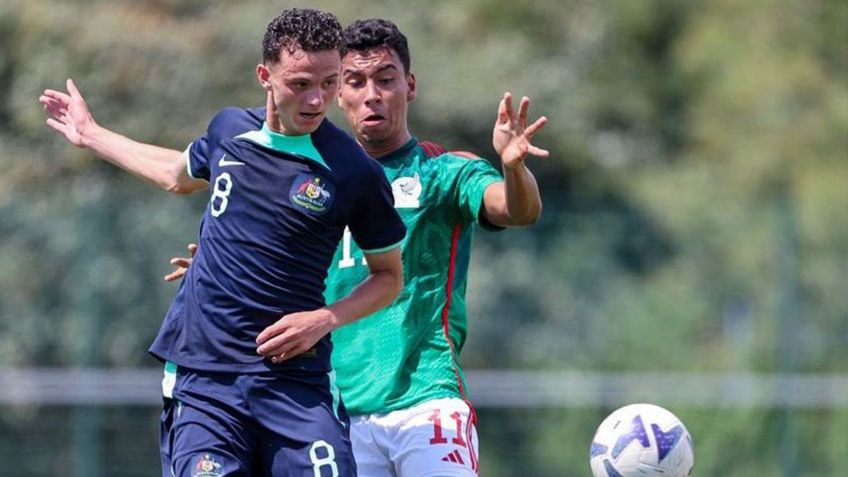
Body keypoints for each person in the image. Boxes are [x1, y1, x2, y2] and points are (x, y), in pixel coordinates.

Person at [167, 18, 548, 477]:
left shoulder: (444, 171)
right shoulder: (306, 177)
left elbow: (514, 209)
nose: (372, 94)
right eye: (355, 81)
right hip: (332, 406)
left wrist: (513, 169)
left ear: (409, 86)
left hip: (425, 402)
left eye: (386, 80)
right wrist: (213, 266)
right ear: (337, 94)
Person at [40, 9, 407, 477]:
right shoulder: (229, 131)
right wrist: (91, 135)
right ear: (265, 77)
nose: (317, 99)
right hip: (206, 381)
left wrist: (324, 319)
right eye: (300, 84)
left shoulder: (354, 172)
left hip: (295, 383)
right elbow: (175, 176)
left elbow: (389, 276)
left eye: (330, 83)